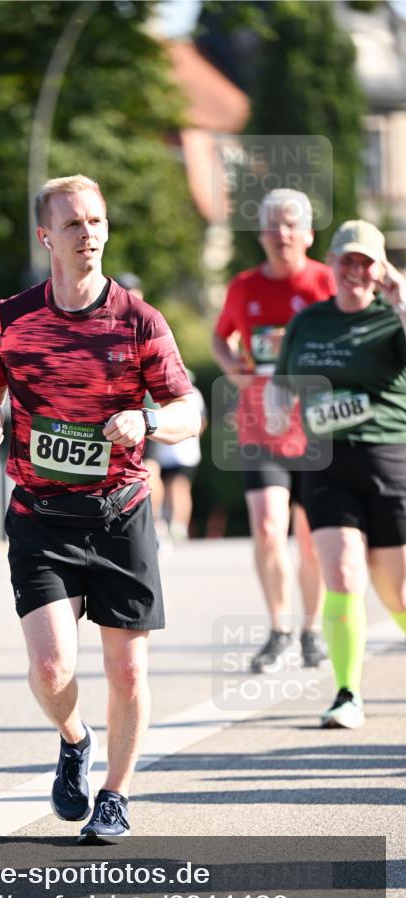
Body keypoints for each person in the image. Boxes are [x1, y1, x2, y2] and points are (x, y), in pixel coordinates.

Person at [0, 174, 200, 841]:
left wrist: (147, 421)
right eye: (72, 224)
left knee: (127, 669)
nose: (87, 234)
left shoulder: (137, 320)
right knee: (50, 668)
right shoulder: (9, 319)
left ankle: (116, 797)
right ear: (46, 237)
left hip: (120, 511)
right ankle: (73, 739)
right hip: (41, 515)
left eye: (96, 222)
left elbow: (191, 410)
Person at [267, 220, 406, 728]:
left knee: (397, 592)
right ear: (332, 261)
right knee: (342, 572)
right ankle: (348, 692)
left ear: (380, 267)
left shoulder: (393, 317)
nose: (354, 270)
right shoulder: (311, 321)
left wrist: (402, 300)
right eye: (346, 259)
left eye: (364, 260)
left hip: (389, 457)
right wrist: (280, 410)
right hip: (325, 460)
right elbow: (283, 381)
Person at [213, 189, 335, 672]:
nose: (281, 233)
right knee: (267, 528)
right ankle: (280, 628)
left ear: (307, 234)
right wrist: (232, 369)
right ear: (260, 234)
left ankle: (313, 631)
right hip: (259, 427)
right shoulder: (243, 287)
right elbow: (221, 335)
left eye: (291, 224)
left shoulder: (326, 282)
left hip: (316, 431)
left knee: (310, 538)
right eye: (272, 225)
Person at [149, 380, 207, 542]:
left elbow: (200, 422)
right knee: (163, 486)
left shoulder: (193, 394)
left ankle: (178, 526)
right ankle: (163, 522)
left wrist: (184, 433)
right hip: (163, 451)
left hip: (184, 453)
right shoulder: (155, 390)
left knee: (178, 487)